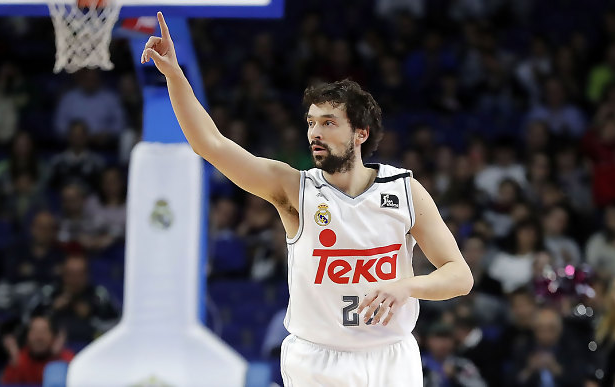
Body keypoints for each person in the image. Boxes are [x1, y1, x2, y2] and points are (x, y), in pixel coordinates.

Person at [142, 12, 473, 385]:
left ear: (360, 133)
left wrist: (406, 285)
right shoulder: (294, 189)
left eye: (329, 123)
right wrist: (174, 75)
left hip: (392, 357)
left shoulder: (404, 190)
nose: (315, 132)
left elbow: (459, 276)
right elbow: (211, 144)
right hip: (318, 360)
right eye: (311, 123)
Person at [0, 315, 74, 385]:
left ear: (53, 337)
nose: (38, 337)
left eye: (43, 332)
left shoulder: (65, 357)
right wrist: (14, 364)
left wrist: (57, 358)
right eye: (34, 332)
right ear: (27, 337)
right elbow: (7, 384)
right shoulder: (20, 359)